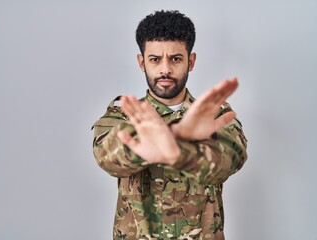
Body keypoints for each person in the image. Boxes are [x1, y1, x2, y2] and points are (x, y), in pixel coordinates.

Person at [92, 10, 248, 240]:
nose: (165, 69)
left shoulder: (214, 113)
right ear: (141, 62)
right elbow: (107, 157)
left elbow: (229, 160)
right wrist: (176, 135)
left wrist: (180, 149)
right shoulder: (123, 114)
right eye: (155, 59)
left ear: (191, 61)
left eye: (175, 58)